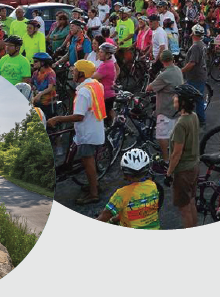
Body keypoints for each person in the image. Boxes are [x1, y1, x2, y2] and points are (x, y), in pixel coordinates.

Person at [46, 59, 107, 204]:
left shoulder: (84, 92)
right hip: (96, 128)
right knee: (89, 161)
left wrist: (57, 119)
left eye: (75, 70)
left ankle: (93, 193)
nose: (72, 72)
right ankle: (94, 185)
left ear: (82, 73)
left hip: (87, 132)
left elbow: (79, 116)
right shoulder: (96, 85)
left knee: (88, 162)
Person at [96, 148, 164, 230]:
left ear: (125, 174)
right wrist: (114, 219)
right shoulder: (154, 186)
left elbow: (105, 216)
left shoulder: (121, 194)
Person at [164, 84, 202, 228]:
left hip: (183, 171)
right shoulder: (194, 116)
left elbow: (176, 154)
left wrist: (169, 173)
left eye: (176, 97)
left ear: (183, 102)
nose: (174, 98)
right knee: (191, 201)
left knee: (184, 209)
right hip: (194, 166)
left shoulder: (181, 124)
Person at [147, 50, 183, 155]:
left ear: (162, 61)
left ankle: (166, 159)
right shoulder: (178, 70)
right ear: (172, 59)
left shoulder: (164, 75)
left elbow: (149, 88)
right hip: (177, 107)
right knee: (174, 135)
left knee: (161, 136)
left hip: (166, 109)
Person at [181, 25, 208, 125]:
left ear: (193, 33)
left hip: (196, 76)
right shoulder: (202, 44)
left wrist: (181, 71)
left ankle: (200, 119)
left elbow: (192, 63)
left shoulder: (196, 46)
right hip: (200, 74)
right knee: (197, 97)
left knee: (196, 98)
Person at [30, 52, 57, 119]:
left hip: (48, 103)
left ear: (43, 63)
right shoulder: (35, 73)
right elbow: (31, 83)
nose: (34, 63)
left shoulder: (50, 73)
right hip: (37, 101)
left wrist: (40, 94)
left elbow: (50, 88)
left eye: (36, 61)